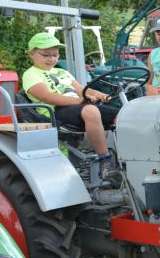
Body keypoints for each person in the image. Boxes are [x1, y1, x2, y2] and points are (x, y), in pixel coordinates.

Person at [21, 32, 115, 167]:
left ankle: (127, 157)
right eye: (46, 55)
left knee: (122, 114)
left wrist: (101, 95)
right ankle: (105, 158)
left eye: (55, 55)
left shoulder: (62, 72)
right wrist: (80, 101)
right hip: (55, 111)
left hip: (79, 107)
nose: (51, 59)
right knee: (91, 111)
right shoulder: (31, 74)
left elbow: (83, 91)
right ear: (31, 54)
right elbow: (47, 97)